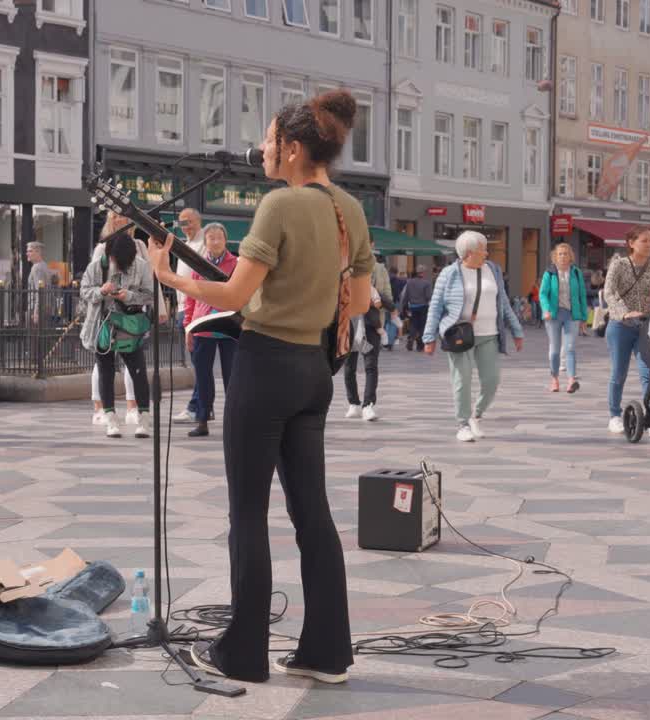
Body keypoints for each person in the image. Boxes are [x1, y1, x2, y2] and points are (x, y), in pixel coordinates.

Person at [147, 90, 373, 685]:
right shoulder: (350, 208)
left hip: (265, 365)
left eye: (271, 140)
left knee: (247, 512)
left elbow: (233, 295)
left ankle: (243, 653)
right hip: (313, 374)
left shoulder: (280, 204)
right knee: (313, 515)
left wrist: (169, 273)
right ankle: (326, 654)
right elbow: (361, 300)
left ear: (293, 150)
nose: (264, 149)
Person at [422, 231, 524, 442]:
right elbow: (435, 306)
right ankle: (463, 424)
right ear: (468, 253)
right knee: (463, 380)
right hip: (459, 335)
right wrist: (428, 337)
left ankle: (476, 415)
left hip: (489, 334)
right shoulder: (449, 273)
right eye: (482, 250)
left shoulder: (493, 270)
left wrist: (516, 330)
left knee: (492, 381)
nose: (486, 253)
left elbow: (503, 302)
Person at [80, 233, 153, 439]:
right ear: (109, 254)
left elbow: (150, 294)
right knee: (105, 371)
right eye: (115, 260)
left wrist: (129, 296)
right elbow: (84, 291)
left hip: (130, 326)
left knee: (138, 370)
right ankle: (110, 419)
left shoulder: (141, 265)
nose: (120, 265)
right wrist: (101, 291)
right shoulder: (96, 266)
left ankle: (144, 418)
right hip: (102, 325)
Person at [603, 226, 650, 434]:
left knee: (648, 373)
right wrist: (624, 313)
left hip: (645, 327)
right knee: (619, 372)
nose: (649, 244)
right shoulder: (619, 265)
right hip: (620, 326)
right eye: (644, 240)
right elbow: (609, 293)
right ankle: (614, 415)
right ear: (631, 243)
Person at [89, 211, 146, 428]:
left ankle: (133, 407)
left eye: (125, 216)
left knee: (134, 359)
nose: (123, 220)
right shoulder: (102, 248)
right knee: (104, 359)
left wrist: (158, 305)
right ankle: (100, 408)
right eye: (117, 216)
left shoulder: (140, 245)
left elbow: (150, 276)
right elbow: (93, 279)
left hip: (132, 311)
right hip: (108, 312)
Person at [182, 223, 238, 437]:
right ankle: (203, 419)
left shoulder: (236, 264)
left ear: (226, 240)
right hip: (203, 326)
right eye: (211, 238)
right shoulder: (198, 266)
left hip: (229, 326)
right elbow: (191, 297)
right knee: (203, 377)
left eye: (219, 238)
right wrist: (188, 326)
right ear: (205, 242)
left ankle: (234, 421)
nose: (215, 242)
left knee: (232, 376)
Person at [344, 238, 393, 421]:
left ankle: (368, 404)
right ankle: (353, 403)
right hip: (351, 322)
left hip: (373, 324)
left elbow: (388, 295)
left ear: (372, 245)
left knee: (371, 365)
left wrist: (376, 300)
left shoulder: (380, 269)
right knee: (349, 366)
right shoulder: (346, 266)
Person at [171, 208, 207, 424]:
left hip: (196, 310)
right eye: (183, 222)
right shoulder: (184, 245)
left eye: (191, 221)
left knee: (199, 362)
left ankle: (197, 407)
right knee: (196, 362)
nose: (187, 226)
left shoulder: (204, 243)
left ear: (199, 221)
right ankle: (202, 406)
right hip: (184, 309)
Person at [539, 242, 588, 394]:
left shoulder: (576, 273)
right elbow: (543, 294)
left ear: (570, 256)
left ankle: (572, 380)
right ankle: (554, 378)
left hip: (572, 315)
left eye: (565, 253)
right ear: (555, 257)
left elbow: (582, 295)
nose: (562, 256)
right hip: (553, 315)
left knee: (570, 348)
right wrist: (546, 310)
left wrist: (584, 317)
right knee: (554, 350)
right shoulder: (550, 273)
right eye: (560, 254)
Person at [399, 266, 433, 351]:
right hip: (423, 307)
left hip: (412, 307)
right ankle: (420, 345)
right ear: (422, 273)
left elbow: (405, 296)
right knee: (422, 326)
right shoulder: (427, 283)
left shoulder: (409, 282)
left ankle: (411, 338)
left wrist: (404, 306)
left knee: (413, 324)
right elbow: (428, 296)